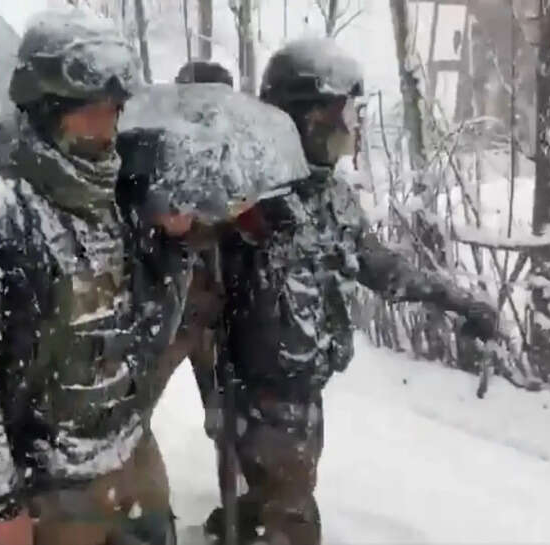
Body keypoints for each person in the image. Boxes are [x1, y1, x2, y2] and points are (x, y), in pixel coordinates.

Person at [201, 37, 501, 545]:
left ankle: (251, 517)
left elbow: (378, 264)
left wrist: (455, 300)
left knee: (282, 492)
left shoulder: (331, 195)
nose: (352, 129)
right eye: (341, 117)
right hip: (261, 395)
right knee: (292, 518)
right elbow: (190, 272)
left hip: (303, 389)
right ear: (305, 120)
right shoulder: (250, 196)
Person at [0, 9, 191, 545]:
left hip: (130, 455)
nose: (106, 127)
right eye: (88, 112)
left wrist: (172, 245)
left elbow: (151, 333)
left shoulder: (119, 200)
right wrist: (1, 500)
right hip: (50, 480)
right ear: (46, 112)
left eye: (112, 111)